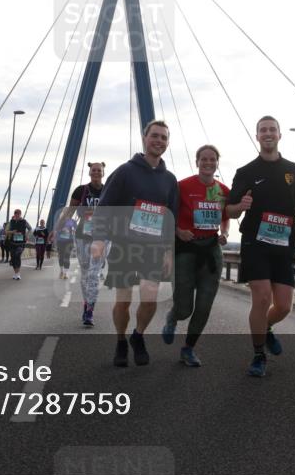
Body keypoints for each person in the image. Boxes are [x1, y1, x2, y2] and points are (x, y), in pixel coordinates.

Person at [227, 116, 295, 378]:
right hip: (255, 242)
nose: (268, 134)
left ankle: (264, 328)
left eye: (272, 130)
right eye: (262, 130)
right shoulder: (245, 172)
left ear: (279, 135)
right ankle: (258, 355)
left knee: (285, 306)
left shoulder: (293, 170)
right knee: (262, 296)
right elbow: (230, 211)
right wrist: (239, 208)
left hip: (284, 242)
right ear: (257, 136)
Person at [92, 121, 179, 366]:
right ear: (145, 138)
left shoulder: (170, 180)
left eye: (163, 137)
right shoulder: (124, 172)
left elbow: (170, 219)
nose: (159, 141)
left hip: (153, 248)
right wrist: (99, 238)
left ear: (167, 142)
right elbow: (104, 208)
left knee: (150, 298)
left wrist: (169, 252)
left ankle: (138, 335)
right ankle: (121, 340)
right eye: (155, 136)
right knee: (124, 299)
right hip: (124, 246)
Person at [162, 144, 230, 367]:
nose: (208, 163)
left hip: (211, 251)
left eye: (212, 159)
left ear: (217, 163)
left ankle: (188, 349)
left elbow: (226, 216)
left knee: (204, 306)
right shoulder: (182, 186)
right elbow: (166, 212)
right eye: (204, 159)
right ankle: (173, 316)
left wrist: (225, 232)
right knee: (184, 308)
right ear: (197, 161)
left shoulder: (222, 190)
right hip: (186, 250)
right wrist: (177, 231)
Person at [56, 162, 107, 326]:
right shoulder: (81, 190)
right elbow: (70, 211)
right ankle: (87, 302)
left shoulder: (108, 190)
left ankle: (89, 310)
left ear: (103, 173)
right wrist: (56, 229)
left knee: (93, 273)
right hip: (82, 236)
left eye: (99, 170)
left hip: (102, 237)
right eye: (94, 170)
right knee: (85, 274)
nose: (97, 172)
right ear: (90, 172)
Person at [6, 209, 32, 280]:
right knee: (13, 257)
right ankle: (15, 273)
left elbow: (30, 228)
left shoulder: (24, 221)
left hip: (21, 242)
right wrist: (12, 232)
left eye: (18, 214)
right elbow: (7, 231)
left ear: (20, 214)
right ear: (14, 214)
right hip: (13, 242)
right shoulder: (11, 222)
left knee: (17, 255)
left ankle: (18, 273)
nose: (17, 215)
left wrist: (27, 235)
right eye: (15, 214)